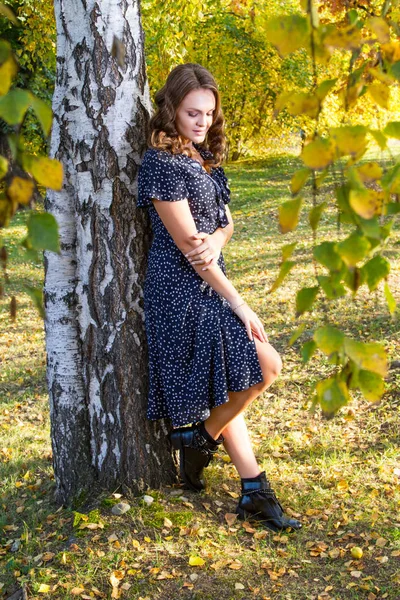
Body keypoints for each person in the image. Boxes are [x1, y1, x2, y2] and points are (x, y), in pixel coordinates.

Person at [136, 63, 301, 533]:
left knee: (234, 379)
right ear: (171, 109)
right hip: (182, 293)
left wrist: (220, 238)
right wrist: (240, 302)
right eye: (192, 112)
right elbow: (192, 251)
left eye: (209, 112)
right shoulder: (163, 166)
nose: (202, 121)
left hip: (210, 282)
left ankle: (246, 482)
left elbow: (223, 226)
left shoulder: (202, 160)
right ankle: (200, 439)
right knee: (266, 366)